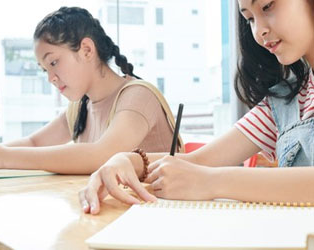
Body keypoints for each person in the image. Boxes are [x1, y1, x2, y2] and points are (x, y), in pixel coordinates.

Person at [79, 0, 314, 215]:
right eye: (250, 19)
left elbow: (205, 173)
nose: (259, 31)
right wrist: (128, 162)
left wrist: (212, 182)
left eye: (267, 6)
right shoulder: (286, 99)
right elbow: (200, 160)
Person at [0, 7, 182, 173]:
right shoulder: (80, 107)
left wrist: (2, 157)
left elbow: (103, 155)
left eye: (53, 62)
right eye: (44, 70)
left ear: (87, 50)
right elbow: (34, 143)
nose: (50, 78)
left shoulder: (138, 96)